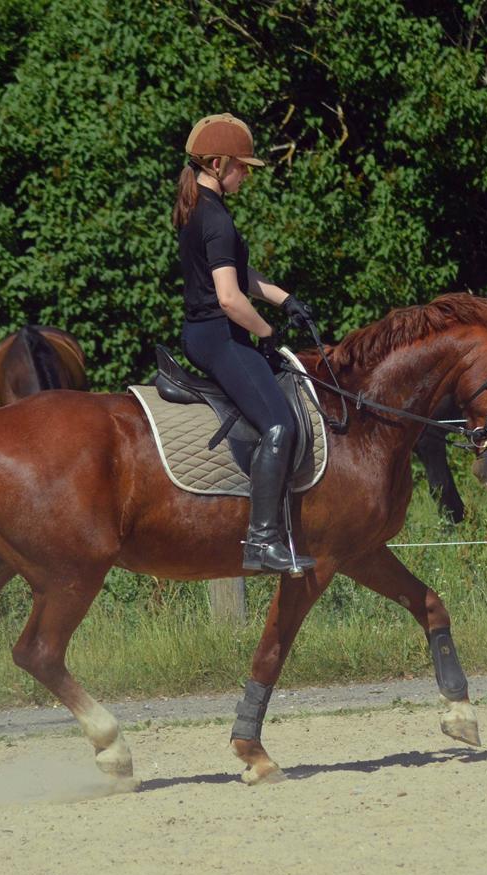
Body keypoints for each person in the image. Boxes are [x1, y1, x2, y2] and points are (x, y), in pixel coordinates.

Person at [172, 112, 317, 575]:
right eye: (241, 167)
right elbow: (230, 298)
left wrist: (285, 299)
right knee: (279, 425)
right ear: (217, 164)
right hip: (219, 336)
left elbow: (239, 274)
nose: (246, 175)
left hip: (206, 332)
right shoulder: (214, 218)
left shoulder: (201, 207)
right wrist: (267, 332)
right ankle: (262, 541)